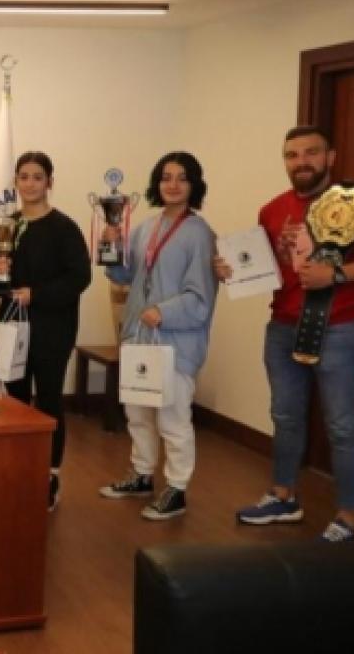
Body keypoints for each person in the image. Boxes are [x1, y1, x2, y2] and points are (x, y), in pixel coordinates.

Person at [222, 126, 354, 542]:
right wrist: (232, 269)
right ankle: (283, 496)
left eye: (311, 152)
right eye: (292, 155)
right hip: (283, 326)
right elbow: (265, 268)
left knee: (343, 426)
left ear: (330, 157)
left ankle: (348, 517)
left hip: (340, 327)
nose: (301, 162)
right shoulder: (271, 210)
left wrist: (335, 274)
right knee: (285, 416)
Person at [97, 152, 217, 521]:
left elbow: (201, 296)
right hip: (139, 337)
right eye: (166, 177)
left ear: (194, 185)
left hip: (174, 343)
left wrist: (163, 312)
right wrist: (112, 246)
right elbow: (123, 277)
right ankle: (142, 474)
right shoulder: (145, 228)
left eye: (182, 177)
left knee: (172, 418)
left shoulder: (199, 233)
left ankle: (177, 488)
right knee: (137, 413)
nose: (173, 184)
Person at [0, 152, 91, 511]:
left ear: (50, 182)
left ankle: (49, 475)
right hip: (12, 325)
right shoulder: (6, 226)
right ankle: (21, 469)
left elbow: (79, 278)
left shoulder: (64, 228)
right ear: (15, 182)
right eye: (23, 177)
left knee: (48, 400)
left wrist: (37, 294)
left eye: (37, 177)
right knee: (15, 401)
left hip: (52, 328)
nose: (30, 183)